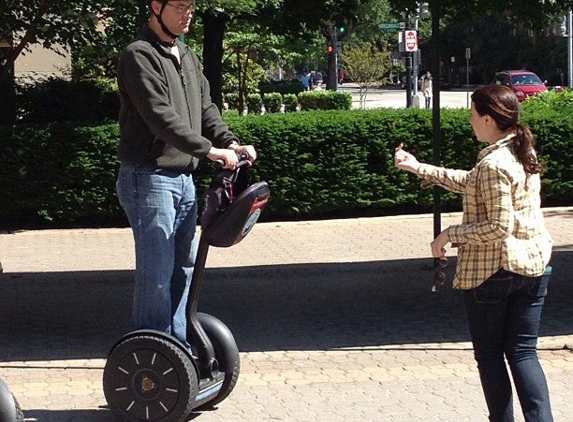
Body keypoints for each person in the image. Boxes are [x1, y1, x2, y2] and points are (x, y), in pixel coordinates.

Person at [394, 84, 554, 422]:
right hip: (533, 266)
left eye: (472, 115)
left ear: (488, 118)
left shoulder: (495, 163)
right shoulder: (521, 152)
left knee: (491, 356)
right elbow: (472, 182)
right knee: (524, 353)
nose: (469, 120)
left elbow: (498, 227)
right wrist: (418, 167)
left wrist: (449, 234)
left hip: (494, 272)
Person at [115, 0, 257, 347]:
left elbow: (206, 108)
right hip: (149, 178)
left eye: (191, 6)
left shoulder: (187, 55)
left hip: (182, 180)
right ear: (155, 6)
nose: (187, 13)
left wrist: (230, 142)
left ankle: (178, 353)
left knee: (185, 269)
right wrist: (209, 151)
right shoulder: (139, 55)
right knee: (158, 275)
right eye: (179, 6)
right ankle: (154, 361)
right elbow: (160, 116)